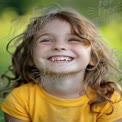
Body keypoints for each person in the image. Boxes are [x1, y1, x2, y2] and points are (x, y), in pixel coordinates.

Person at [0, 6, 122, 122]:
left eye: (74, 39)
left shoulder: (109, 101)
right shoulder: (19, 100)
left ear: (93, 57)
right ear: (30, 58)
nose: (59, 46)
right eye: (46, 40)